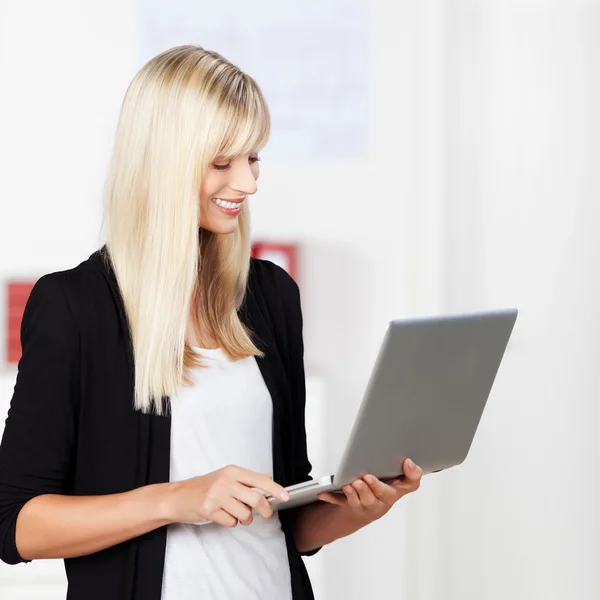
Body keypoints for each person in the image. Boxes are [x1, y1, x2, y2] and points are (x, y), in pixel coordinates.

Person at [0, 45, 422, 600]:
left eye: (254, 159)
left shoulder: (271, 295)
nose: (247, 184)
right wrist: (177, 498)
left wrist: (359, 508)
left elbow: (290, 524)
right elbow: (17, 525)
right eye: (222, 163)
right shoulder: (74, 307)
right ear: (161, 164)